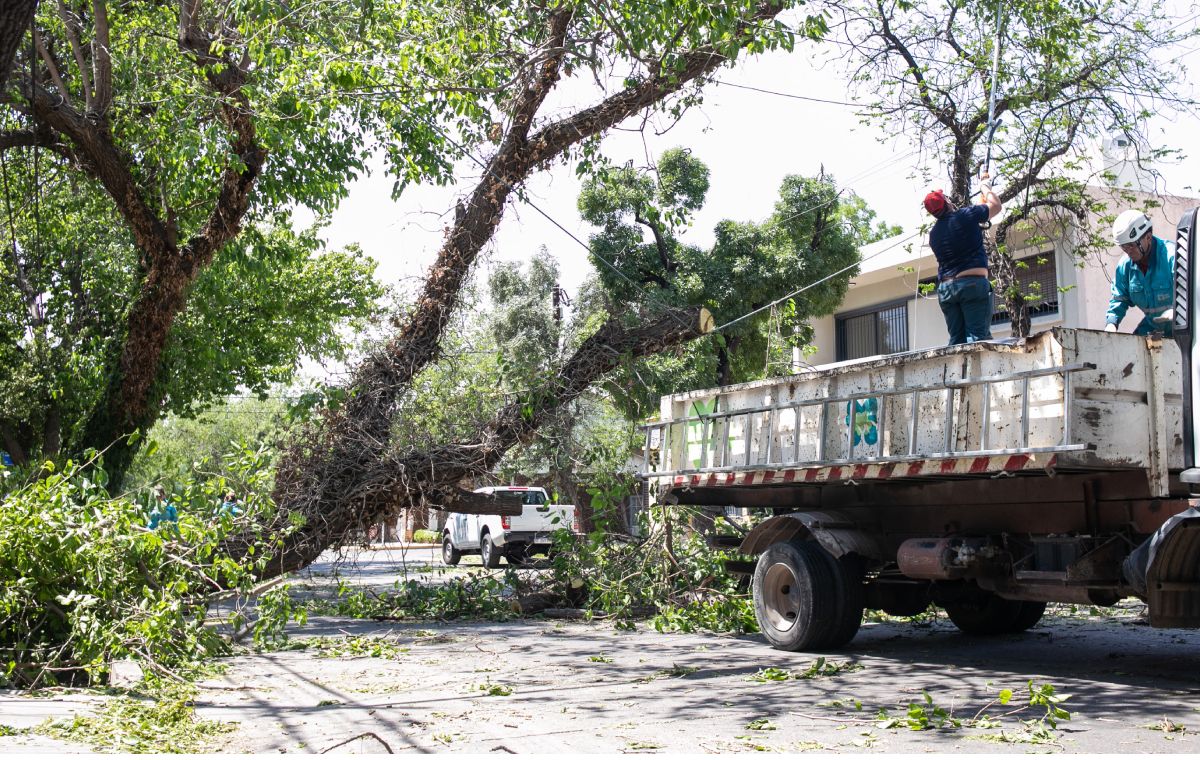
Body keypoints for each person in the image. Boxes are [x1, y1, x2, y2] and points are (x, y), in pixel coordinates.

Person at [924, 175, 1003, 344]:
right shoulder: (966, 215)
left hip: (947, 289)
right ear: (946, 201)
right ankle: (979, 371)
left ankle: (957, 371)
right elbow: (996, 206)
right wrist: (985, 187)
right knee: (977, 340)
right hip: (971, 285)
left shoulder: (934, 235)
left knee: (957, 342)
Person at [1104, 210, 1174, 336]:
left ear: (1148, 237)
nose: (1128, 251)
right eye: (1123, 247)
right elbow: (1120, 298)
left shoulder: (1172, 257)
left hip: (1185, 327)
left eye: (1131, 245)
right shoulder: (1124, 267)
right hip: (1153, 326)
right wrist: (1111, 323)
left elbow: (1192, 292)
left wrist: (1179, 311)